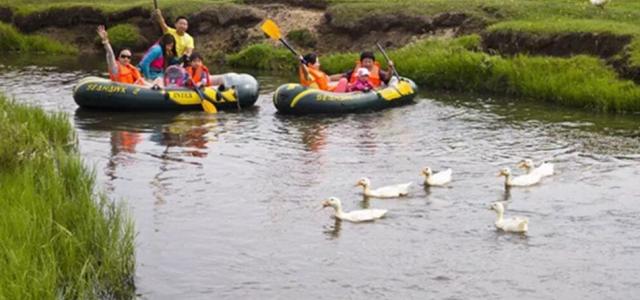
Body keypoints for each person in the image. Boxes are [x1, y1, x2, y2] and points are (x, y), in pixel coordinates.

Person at [330, 51, 394, 88]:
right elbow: (342, 76)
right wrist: (328, 78)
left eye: (369, 62)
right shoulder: (357, 71)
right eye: (365, 62)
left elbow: (387, 78)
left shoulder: (378, 72)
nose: (367, 64)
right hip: (354, 92)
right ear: (361, 62)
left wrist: (390, 68)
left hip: (371, 92)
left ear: (373, 63)